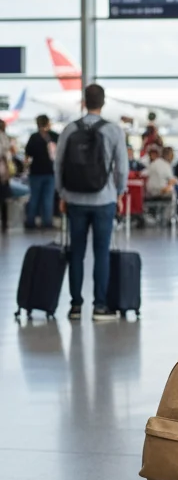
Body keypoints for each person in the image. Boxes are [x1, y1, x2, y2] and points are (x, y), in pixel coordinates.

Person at [54, 83, 128, 322]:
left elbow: (59, 164)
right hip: (104, 200)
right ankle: (100, 307)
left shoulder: (69, 129)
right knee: (101, 253)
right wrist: (118, 194)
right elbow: (122, 168)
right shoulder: (114, 131)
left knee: (76, 253)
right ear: (103, 102)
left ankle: (75, 307)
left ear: (84, 101)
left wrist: (62, 193)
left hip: (74, 199)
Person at [24, 114, 59, 231]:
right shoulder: (54, 136)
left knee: (34, 197)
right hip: (50, 171)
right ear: (48, 123)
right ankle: (47, 222)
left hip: (36, 172)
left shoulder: (34, 137)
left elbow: (28, 153)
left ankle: (30, 221)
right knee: (48, 198)